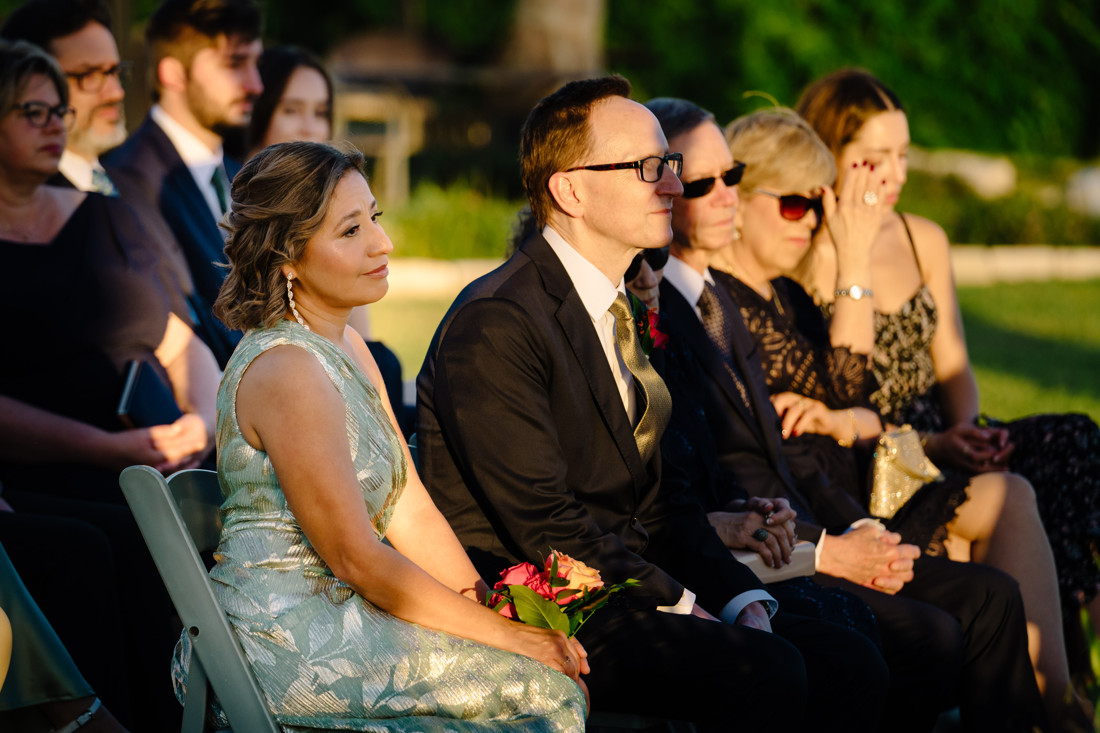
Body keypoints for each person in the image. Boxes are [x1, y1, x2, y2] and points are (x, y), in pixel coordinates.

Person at [418, 74, 888, 732]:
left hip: (629, 581)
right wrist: (684, 604)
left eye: (668, 164)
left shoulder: (616, 307)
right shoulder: (497, 322)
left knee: (849, 659)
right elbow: (547, 529)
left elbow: (664, 507)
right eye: (649, 167)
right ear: (570, 188)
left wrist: (740, 600)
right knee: (765, 670)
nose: (672, 183)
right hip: (542, 611)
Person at [645, 96, 1045, 733]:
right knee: (941, 622)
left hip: (835, 504)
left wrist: (860, 519)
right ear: (660, 189)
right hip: (799, 528)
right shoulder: (675, 306)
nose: (723, 195)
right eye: (704, 183)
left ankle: (1059, 707)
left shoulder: (744, 299)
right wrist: (834, 543)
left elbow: (839, 416)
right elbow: (824, 412)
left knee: (1008, 544)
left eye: (734, 177)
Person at [179, 140, 587, 730]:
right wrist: (509, 639)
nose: (382, 243)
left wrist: (488, 605)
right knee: (542, 691)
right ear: (287, 256)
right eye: (350, 231)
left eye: (374, 217)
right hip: (282, 638)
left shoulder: (346, 346)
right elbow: (355, 557)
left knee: (548, 676)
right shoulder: (288, 369)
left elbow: (410, 509)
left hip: (347, 612)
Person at [0, 38, 218, 730]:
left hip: (151, 454)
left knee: (210, 509)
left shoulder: (102, 213)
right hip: (47, 468)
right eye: (32, 111)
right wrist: (102, 447)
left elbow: (180, 340)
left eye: (60, 110)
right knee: (113, 538)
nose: (55, 125)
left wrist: (204, 420)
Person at [102, 0, 264, 367]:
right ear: (173, 73)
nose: (255, 84)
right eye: (234, 64)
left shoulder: (246, 175)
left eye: (256, 64)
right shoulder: (127, 181)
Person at [0, 0, 127, 195]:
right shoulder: (27, 202)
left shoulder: (132, 182)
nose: (116, 92)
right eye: (88, 75)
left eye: (114, 71)